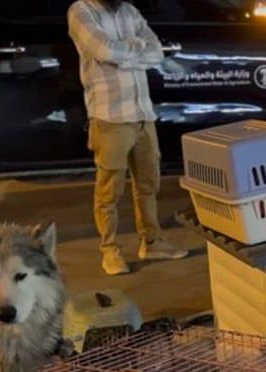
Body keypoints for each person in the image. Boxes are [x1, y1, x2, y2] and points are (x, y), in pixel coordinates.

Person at [68, 0, 188, 276]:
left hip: (143, 114)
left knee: (148, 184)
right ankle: (110, 250)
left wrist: (124, 53)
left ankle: (152, 241)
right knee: (109, 190)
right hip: (110, 117)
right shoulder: (81, 11)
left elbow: (156, 51)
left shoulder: (129, 11)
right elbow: (104, 50)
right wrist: (135, 49)